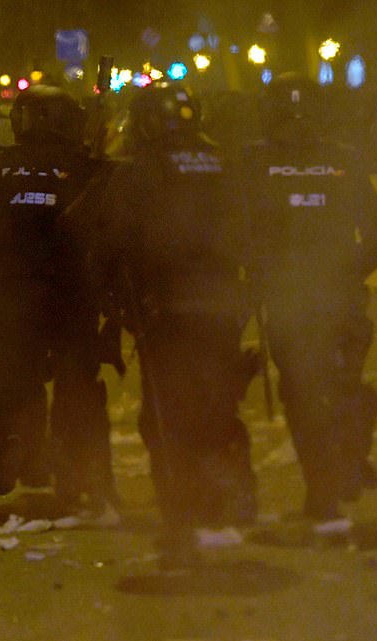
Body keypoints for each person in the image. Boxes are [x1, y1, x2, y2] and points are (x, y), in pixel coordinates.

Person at [93, 83, 256, 567]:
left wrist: (113, 302)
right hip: (224, 305)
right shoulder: (224, 161)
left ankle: (181, 515)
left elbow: (111, 242)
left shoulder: (137, 171)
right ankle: (229, 484)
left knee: (166, 415)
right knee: (219, 397)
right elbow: (254, 228)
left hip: (164, 309)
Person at [0, 85, 117, 517]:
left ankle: (16, 444)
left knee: (13, 378)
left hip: (13, 293)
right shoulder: (87, 166)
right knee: (77, 384)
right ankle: (79, 472)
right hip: (72, 294)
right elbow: (107, 229)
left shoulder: (3, 167)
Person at [246, 73, 377, 528]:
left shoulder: (252, 165)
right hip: (340, 298)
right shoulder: (341, 161)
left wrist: (259, 272)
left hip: (290, 302)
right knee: (345, 388)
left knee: (304, 398)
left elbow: (232, 230)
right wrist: (349, 269)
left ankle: (323, 492)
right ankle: (347, 456)